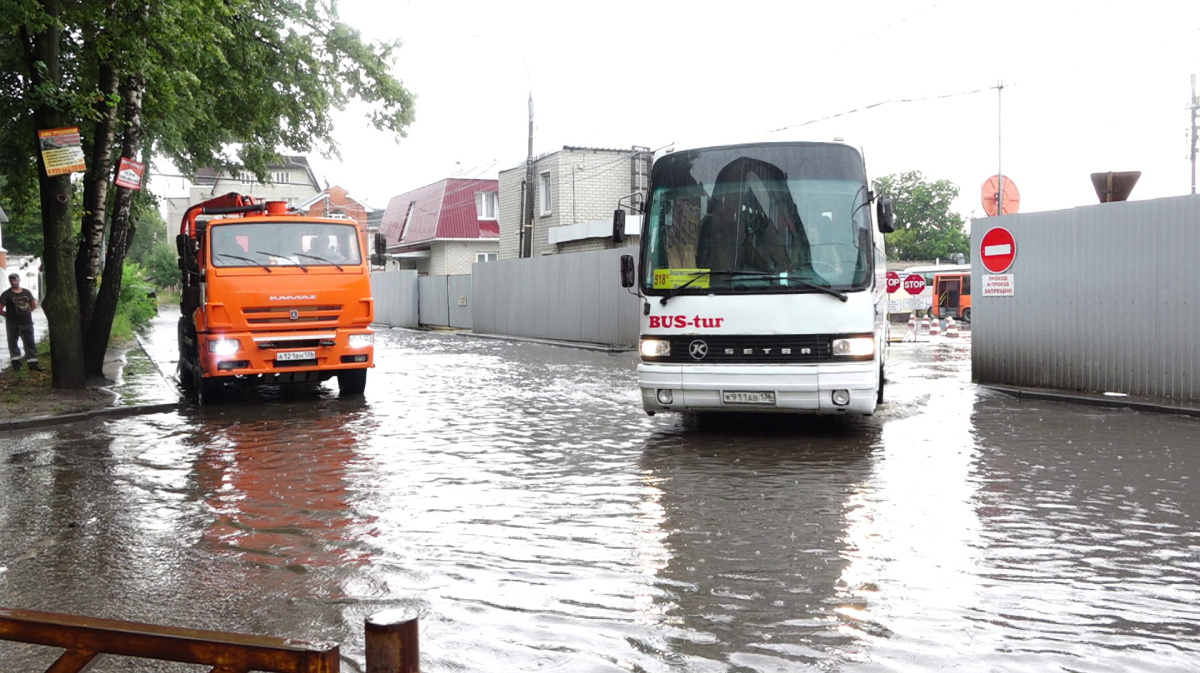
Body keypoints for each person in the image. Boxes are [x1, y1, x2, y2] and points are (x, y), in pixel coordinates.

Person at [0, 272, 42, 371]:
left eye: (15, 280)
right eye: (11, 280)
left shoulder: (26, 292)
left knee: (30, 343)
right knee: (13, 343)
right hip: (12, 324)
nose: (14, 282)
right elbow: (0, 308)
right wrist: (7, 315)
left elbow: (33, 304)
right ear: (9, 282)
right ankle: (16, 365)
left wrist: (27, 312)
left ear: (19, 280)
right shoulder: (6, 294)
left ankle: (33, 363)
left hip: (27, 322)